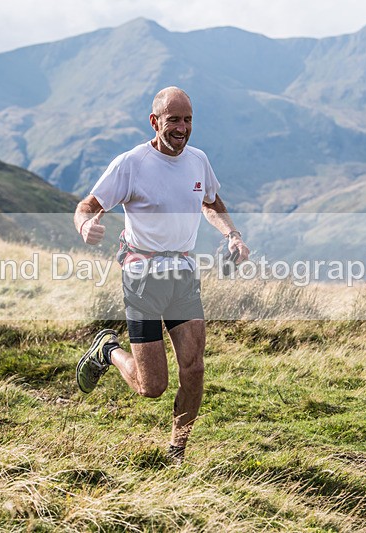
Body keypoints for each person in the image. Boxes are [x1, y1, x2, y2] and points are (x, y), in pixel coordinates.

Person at [73, 86, 250, 463]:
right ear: (155, 122)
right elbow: (87, 206)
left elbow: (212, 202)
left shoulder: (198, 161)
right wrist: (86, 226)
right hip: (142, 277)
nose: (182, 128)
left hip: (183, 273)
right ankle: (108, 350)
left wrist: (232, 235)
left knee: (195, 368)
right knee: (152, 387)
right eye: (173, 120)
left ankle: (176, 451)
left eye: (188, 120)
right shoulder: (131, 164)